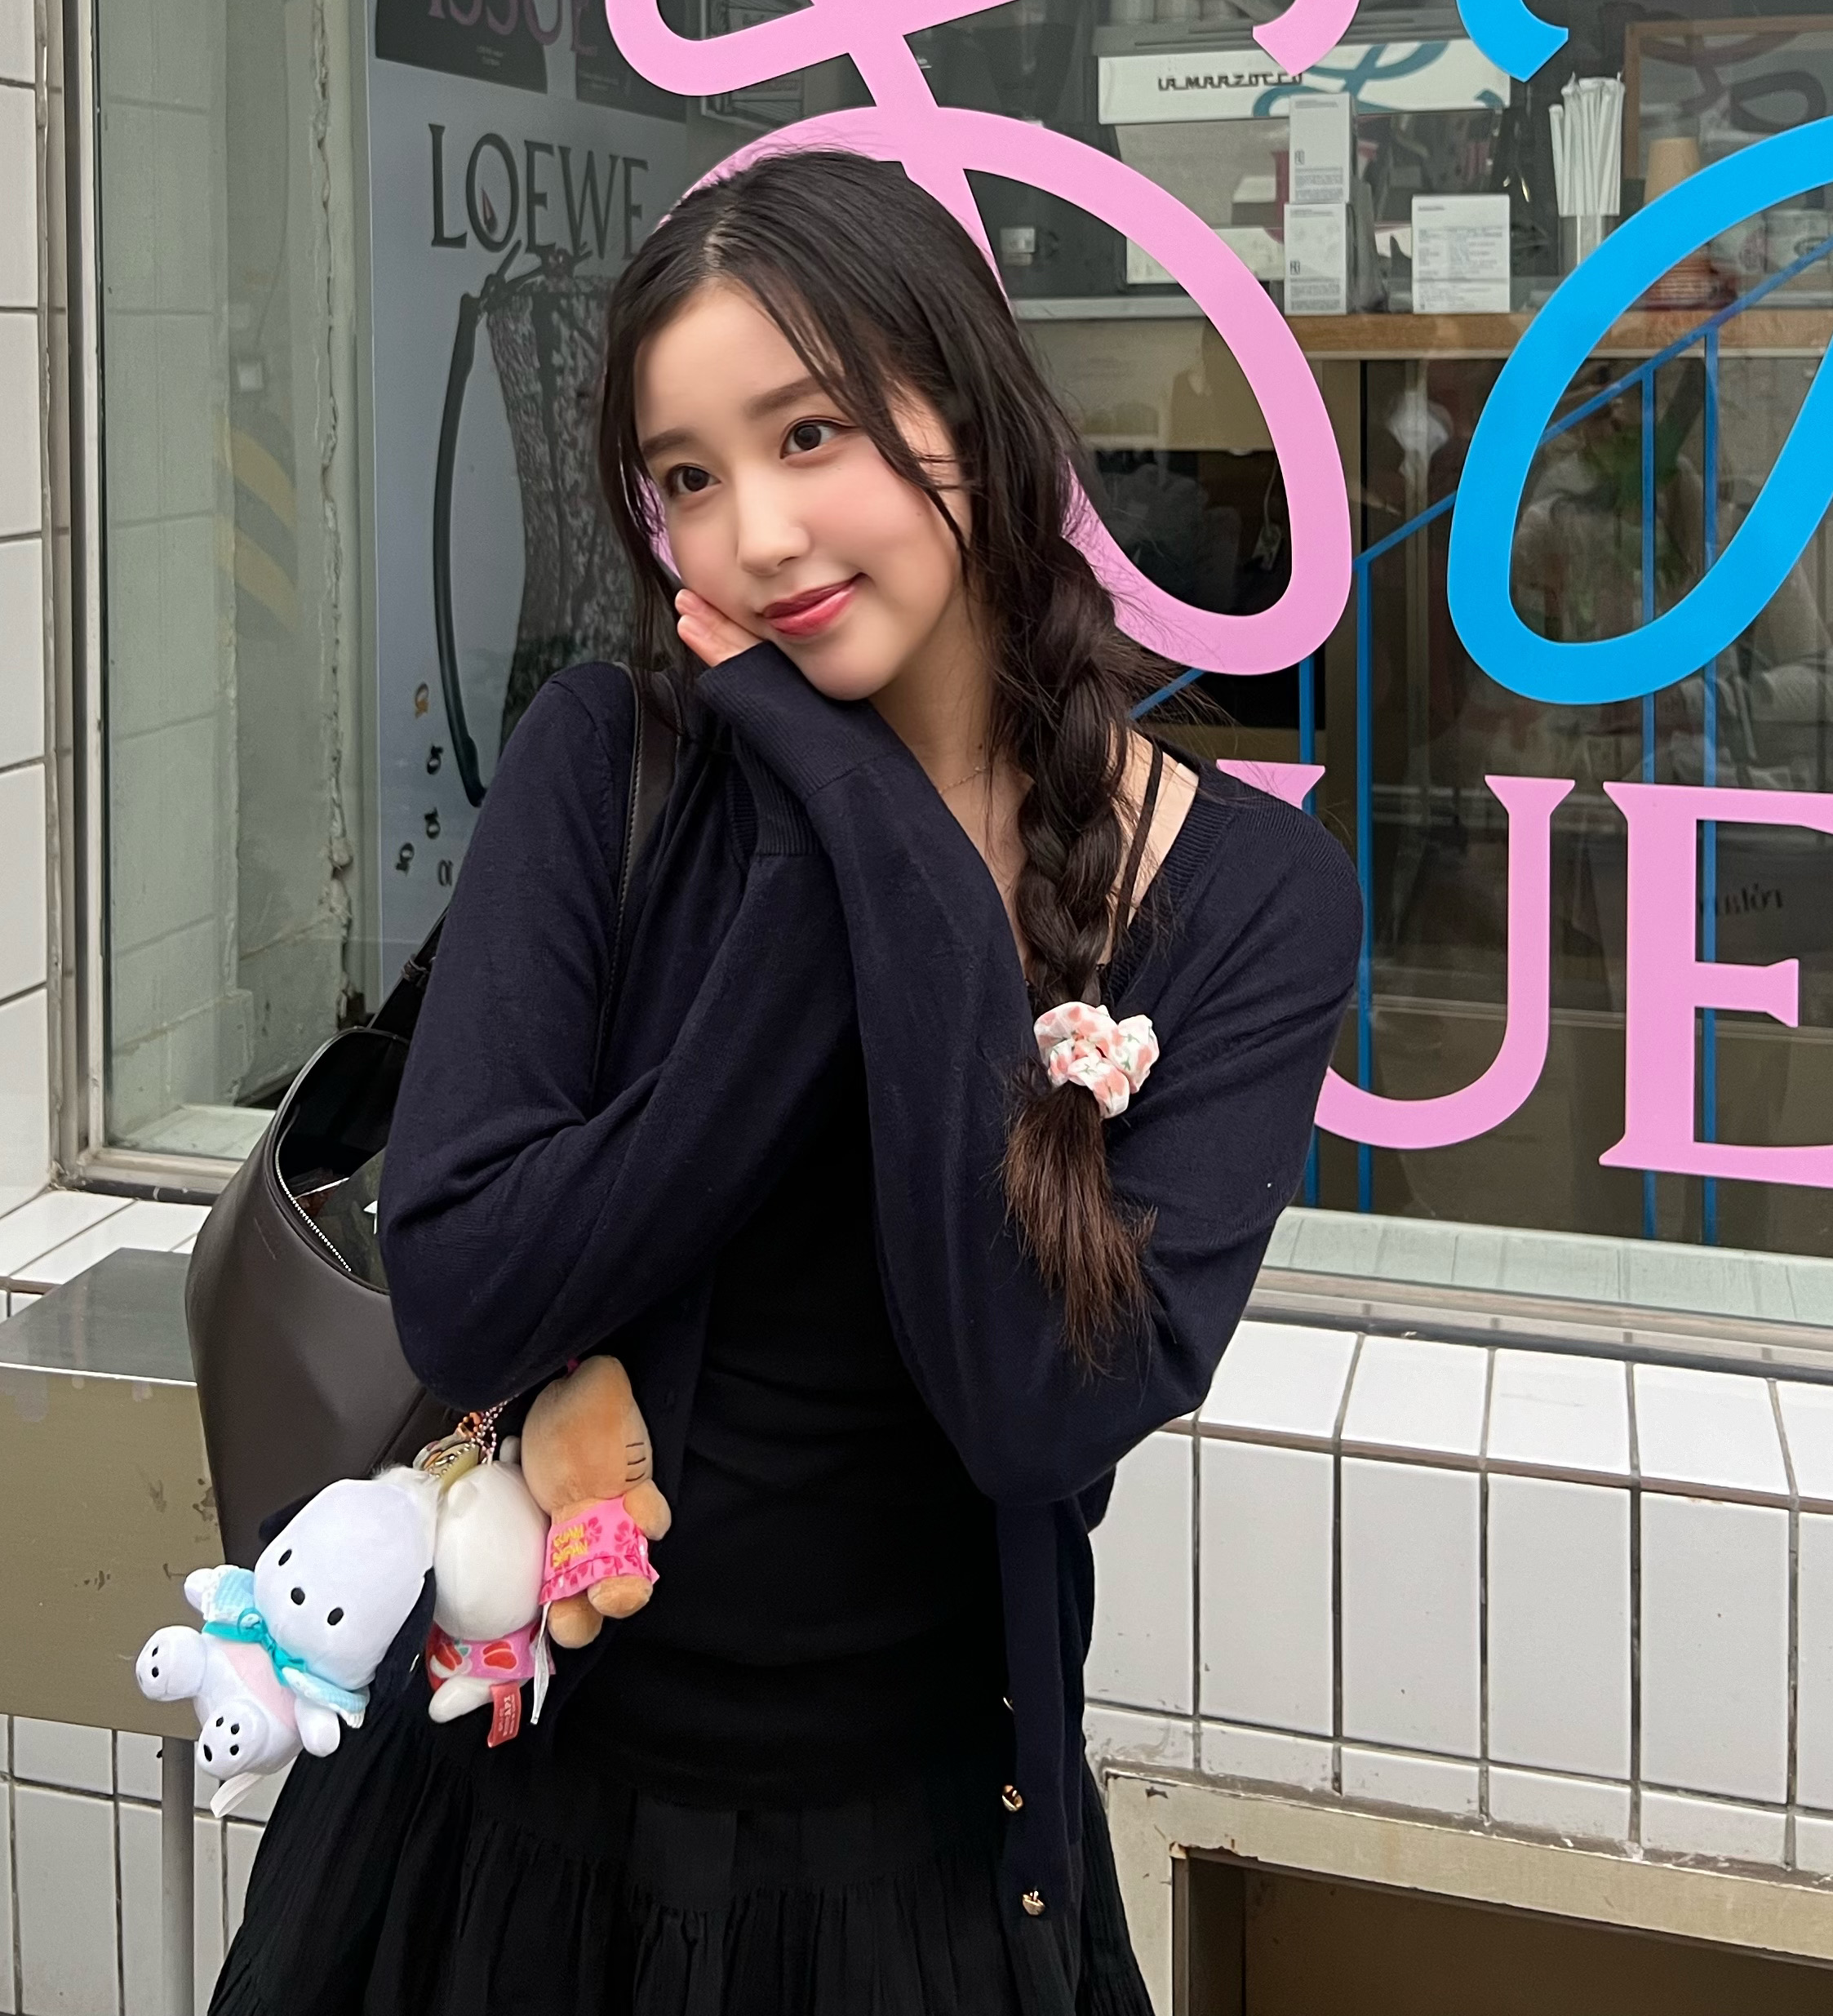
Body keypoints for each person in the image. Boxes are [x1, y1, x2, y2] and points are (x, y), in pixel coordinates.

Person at [213, 149, 1361, 2016]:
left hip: (913, 1891)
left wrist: (862, 813)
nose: (752, 534)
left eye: (811, 434)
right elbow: (474, 1286)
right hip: (495, 1839)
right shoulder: (609, 768)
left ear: (970, 419)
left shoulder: (1242, 901)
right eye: (686, 479)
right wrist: (834, 835)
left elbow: (1036, 1405)